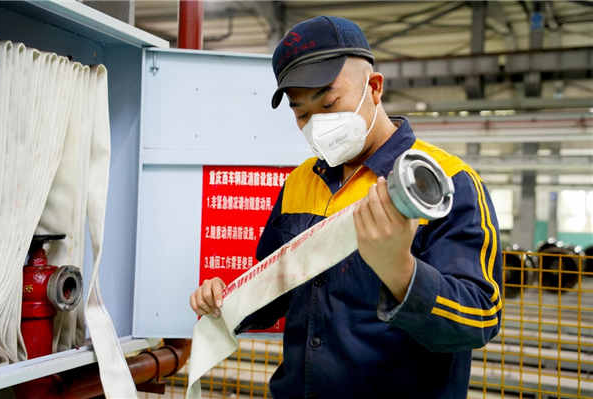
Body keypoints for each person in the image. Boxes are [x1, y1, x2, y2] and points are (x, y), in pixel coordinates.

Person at [190, 16, 503, 399]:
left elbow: (480, 318)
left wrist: (401, 272)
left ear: (374, 88)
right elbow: (274, 290)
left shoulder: (446, 181)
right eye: (302, 113)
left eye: (329, 103)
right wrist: (228, 300)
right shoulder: (299, 182)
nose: (316, 123)